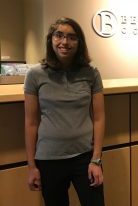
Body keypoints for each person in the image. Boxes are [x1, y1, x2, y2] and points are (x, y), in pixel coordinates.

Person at [24, 17, 105, 206]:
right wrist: (31, 166)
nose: (65, 42)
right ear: (51, 39)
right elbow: (30, 122)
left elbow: (99, 118)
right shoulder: (35, 75)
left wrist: (96, 160)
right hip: (49, 160)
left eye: (71, 37)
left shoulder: (91, 73)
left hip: (85, 158)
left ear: (79, 42)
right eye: (59, 35)